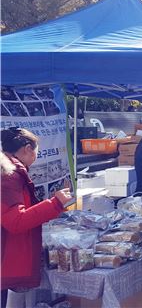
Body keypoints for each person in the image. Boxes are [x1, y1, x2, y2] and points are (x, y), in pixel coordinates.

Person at [1, 128, 73, 307]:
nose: (34, 159)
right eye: (35, 154)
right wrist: (55, 203)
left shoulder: (12, 172)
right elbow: (15, 221)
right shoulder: (8, 177)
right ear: (27, 149)